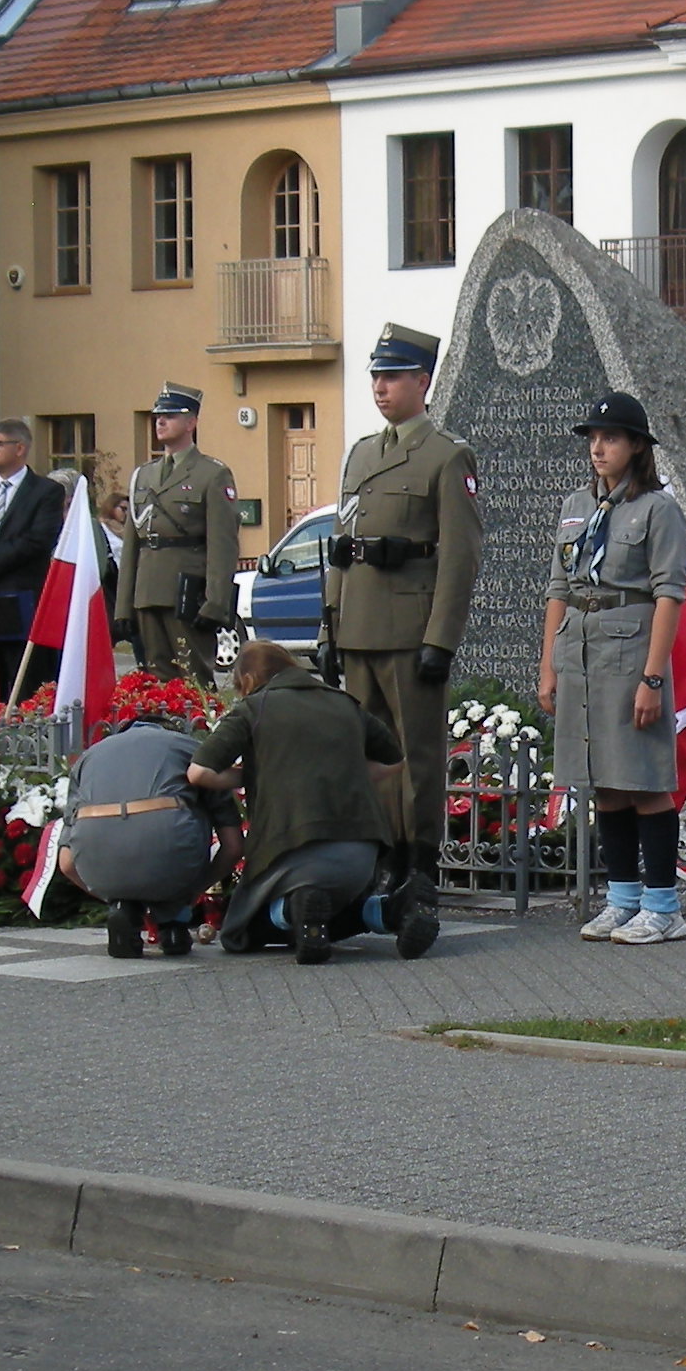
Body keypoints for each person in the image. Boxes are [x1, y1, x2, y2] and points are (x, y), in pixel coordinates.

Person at [325, 325, 484, 891]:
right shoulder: (361, 454)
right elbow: (342, 549)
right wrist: (329, 626)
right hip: (358, 628)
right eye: (376, 376)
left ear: (423, 381)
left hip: (409, 632)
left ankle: (418, 863)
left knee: (415, 756)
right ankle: (377, 856)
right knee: (364, 753)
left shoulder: (446, 455)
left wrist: (441, 638)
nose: (380, 387)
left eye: (392, 376)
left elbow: (460, 556)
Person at [539, 390, 686, 946]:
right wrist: (548, 666)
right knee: (603, 780)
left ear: (636, 446)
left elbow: (669, 594)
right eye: (593, 439)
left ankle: (663, 906)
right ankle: (623, 898)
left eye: (610, 438)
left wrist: (653, 677)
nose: (598, 448)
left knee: (643, 779)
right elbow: (559, 588)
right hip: (581, 651)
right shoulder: (576, 505)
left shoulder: (657, 510)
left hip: (631, 652)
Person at [188, 639, 439, 964]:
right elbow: (394, 761)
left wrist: (256, 774)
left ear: (248, 680)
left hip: (293, 850)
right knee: (327, 909)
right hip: (361, 855)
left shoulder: (255, 707)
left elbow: (199, 772)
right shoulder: (344, 703)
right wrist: (347, 770)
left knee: (240, 932)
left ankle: (292, 909)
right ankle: (392, 909)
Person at [120, 386, 239, 688]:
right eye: (157, 416)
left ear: (191, 423)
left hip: (187, 590)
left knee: (194, 678)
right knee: (155, 681)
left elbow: (222, 544)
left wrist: (216, 602)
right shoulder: (143, 475)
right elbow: (132, 544)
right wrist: (124, 604)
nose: (160, 422)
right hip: (148, 590)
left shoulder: (211, 474)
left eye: (170, 416)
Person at [0, 417, 66, 678]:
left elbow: (37, 541)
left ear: (19, 448)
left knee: (26, 681)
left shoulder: (46, 492)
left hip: (23, 600)